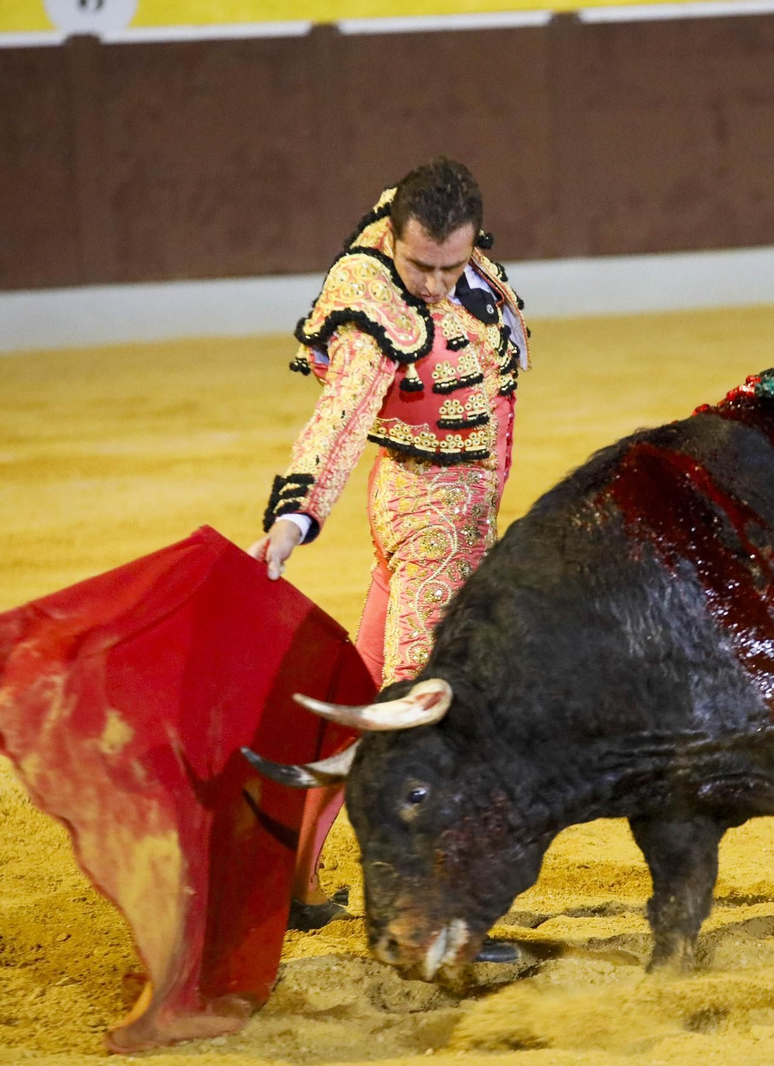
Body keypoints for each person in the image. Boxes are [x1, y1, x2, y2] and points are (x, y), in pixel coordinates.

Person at [246, 158, 528, 941]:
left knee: (369, 707)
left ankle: (292, 888)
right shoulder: (371, 302)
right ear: (394, 239)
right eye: (419, 265)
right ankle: (426, 918)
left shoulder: (445, 252)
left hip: (455, 516)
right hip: (429, 522)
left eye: (452, 264)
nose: (435, 283)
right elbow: (339, 417)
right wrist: (295, 517)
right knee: (425, 724)